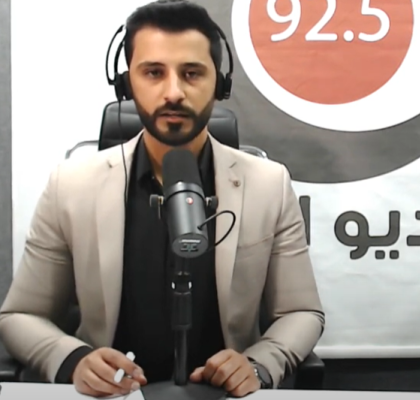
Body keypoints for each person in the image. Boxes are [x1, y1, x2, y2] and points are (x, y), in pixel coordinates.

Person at [0, 1, 324, 398]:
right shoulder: (71, 185)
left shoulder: (268, 184)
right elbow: (21, 315)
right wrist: (73, 360)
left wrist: (259, 363)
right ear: (126, 84)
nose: (173, 92)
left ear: (220, 84)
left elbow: (301, 312)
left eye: (192, 73)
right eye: (153, 72)